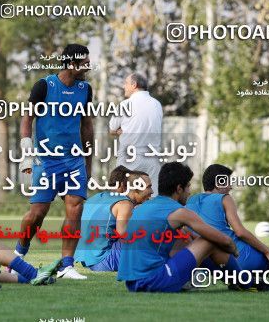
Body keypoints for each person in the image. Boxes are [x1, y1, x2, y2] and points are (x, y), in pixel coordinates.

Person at [16, 43, 94, 280]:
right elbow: (27, 119)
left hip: (74, 160)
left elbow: (87, 125)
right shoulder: (44, 86)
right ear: (71, 64)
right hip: (46, 160)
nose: (89, 66)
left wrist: (88, 161)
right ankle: (18, 256)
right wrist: (27, 150)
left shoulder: (86, 89)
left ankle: (67, 265)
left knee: (75, 208)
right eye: (84, 62)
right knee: (37, 213)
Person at [117, 162, 243, 293]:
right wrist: (233, 249)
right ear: (179, 189)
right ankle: (246, 281)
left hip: (133, 284)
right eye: (188, 186)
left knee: (185, 238)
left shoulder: (144, 207)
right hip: (154, 280)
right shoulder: (178, 212)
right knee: (209, 241)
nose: (189, 192)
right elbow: (223, 240)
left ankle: (231, 280)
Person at [186, 164, 269, 273]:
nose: (230, 187)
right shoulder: (224, 198)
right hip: (237, 257)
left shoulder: (191, 200)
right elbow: (240, 232)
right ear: (219, 183)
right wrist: (268, 252)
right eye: (228, 182)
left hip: (206, 260)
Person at [75, 166, 152, 272]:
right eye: (148, 187)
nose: (152, 191)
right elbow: (125, 235)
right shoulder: (124, 203)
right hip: (104, 260)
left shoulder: (95, 198)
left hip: (87, 261)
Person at [109, 73, 163, 197]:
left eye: (126, 83)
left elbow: (112, 129)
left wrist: (119, 131)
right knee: (150, 197)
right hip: (152, 158)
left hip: (130, 159)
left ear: (134, 85)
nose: (124, 86)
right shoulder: (157, 105)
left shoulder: (125, 105)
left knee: (125, 198)